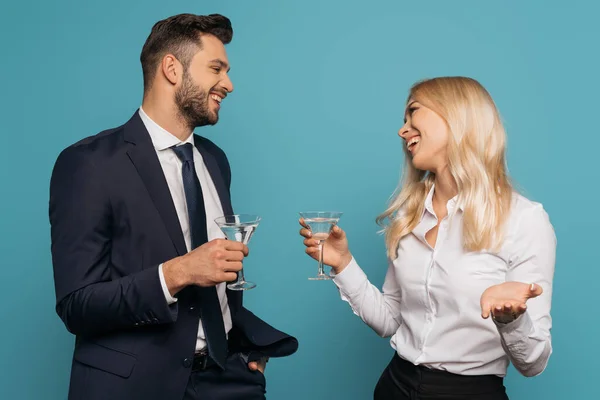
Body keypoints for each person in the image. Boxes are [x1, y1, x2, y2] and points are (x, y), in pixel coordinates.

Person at [49, 13, 297, 400]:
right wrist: (178, 273)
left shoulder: (215, 160)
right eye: (216, 68)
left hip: (227, 381)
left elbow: (218, 288)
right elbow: (77, 305)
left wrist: (244, 347)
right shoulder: (90, 163)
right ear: (171, 68)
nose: (228, 84)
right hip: (133, 387)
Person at [299, 76, 555, 400]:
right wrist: (343, 264)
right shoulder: (410, 216)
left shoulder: (524, 219)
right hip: (394, 386)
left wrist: (510, 320)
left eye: (413, 113)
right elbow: (391, 321)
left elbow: (534, 362)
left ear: (457, 116)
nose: (402, 130)